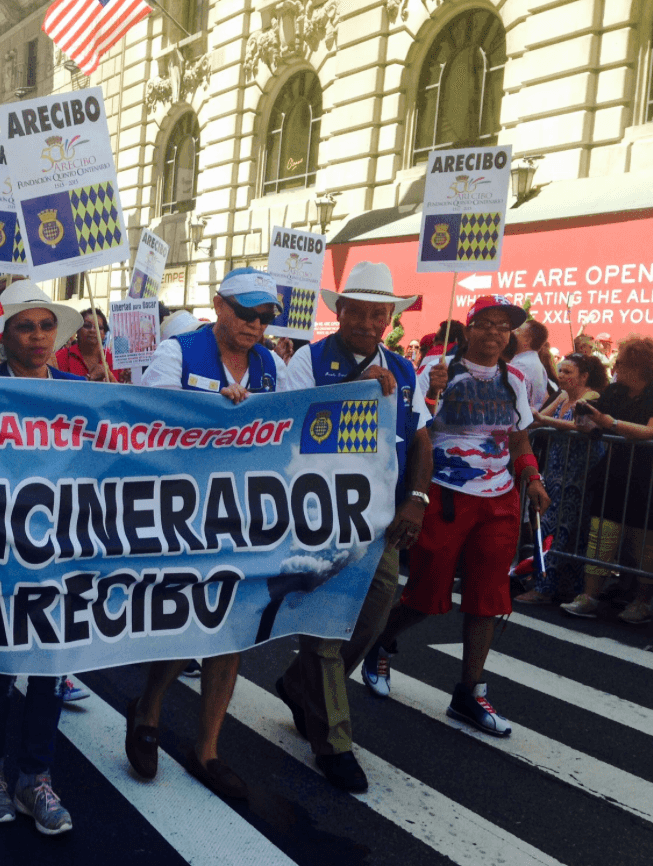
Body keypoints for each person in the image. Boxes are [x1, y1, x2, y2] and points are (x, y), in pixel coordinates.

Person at [125, 268, 286, 801]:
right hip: (183, 510)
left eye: (264, 317)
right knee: (189, 618)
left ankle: (207, 749)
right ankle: (148, 708)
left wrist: (372, 391)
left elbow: (310, 414)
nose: (255, 326)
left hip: (243, 513)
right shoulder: (178, 352)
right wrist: (216, 400)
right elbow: (153, 415)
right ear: (218, 306)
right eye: (246, 313)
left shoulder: (272, 365)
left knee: (233, 626)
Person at [275, 261, 432, 792]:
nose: (368, 322)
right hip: (321, 514)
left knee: (370, 618)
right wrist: (355, 393)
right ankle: (334, 743)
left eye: (378, 313)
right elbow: (291, 429)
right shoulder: (308, 361)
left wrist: (416, 497)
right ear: (339, 312)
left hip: (381, 518)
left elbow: (422, 437)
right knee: (324, 625)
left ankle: (299, 686)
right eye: (358, 312)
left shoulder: (406, 369)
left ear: (390, 316)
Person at [362, 295, 550, 737]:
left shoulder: (515, 379)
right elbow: (416, 427)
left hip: (498, 499)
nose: (495, 334)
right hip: (446, 495)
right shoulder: (439, 368)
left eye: (504, 327)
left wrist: (533, 478)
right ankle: (379, 644)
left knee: (489, 597)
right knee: (427, 594)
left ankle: (470, 691)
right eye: (486, 324)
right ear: (468, 329)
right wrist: (431, 391)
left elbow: (518, 440)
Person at [0, 279, 82, 835]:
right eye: (24, 326)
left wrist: (228, 411)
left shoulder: (82, 389)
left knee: (49, 670)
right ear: (4, 335)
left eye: (46, 325)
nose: (37, 336)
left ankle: (35, 777)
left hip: (59, 554)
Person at [560, 337, 653, 624]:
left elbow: (650, 431)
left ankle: (641, 601)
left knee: (644, 544)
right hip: (612, 472)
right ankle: (589, 597)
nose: (616, 366)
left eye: (622, 362)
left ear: (638, 366)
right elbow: (596, 422)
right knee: (601, 535)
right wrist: (587, 422)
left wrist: (609, 423)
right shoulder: (614, 391)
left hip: (646, 478)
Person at [516, 353, 608, 605]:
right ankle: (547, 582)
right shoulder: (564, 396)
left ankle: (546, 588)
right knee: (550, 526)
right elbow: (538, 418)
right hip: (556, 471)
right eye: (561, 370)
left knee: (564, 531)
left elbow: (582, 428)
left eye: (569, 371)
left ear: (584, 376)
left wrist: (545, 420)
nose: (562, 376)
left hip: (578, 474)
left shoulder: (592, 398)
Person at [55, 307, 117, 381]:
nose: (93, 330)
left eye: (99, 327)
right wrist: (90, 377)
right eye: (87, 326)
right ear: (77, 330)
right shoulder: (61, 357)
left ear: (104, 333)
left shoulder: (114, 360)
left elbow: (122, 390)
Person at [512, 319, 553, 411]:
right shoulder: (531, 361)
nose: (513, 332)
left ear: (527, 340)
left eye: (517, 330)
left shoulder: (522, 365)